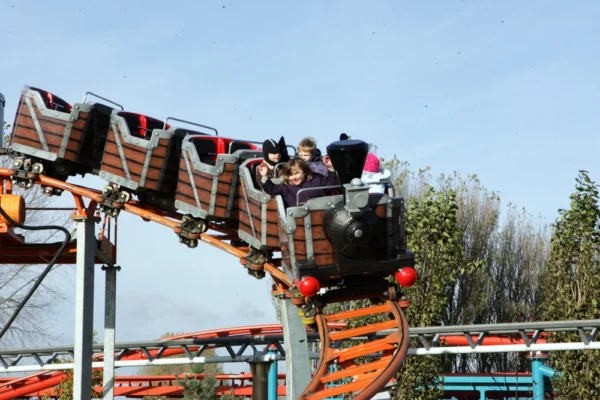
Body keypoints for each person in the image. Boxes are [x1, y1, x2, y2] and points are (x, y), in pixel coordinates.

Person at [258, 156, 338, 208]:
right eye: (290, 175)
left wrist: (330, 168)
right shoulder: (286, 186)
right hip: (298, 219)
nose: (294, 177)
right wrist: (265, 176)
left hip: (319, 214)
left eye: (296, 173)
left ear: (305, 172)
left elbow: (331, 183)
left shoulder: (316, 180)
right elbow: (272, 189)